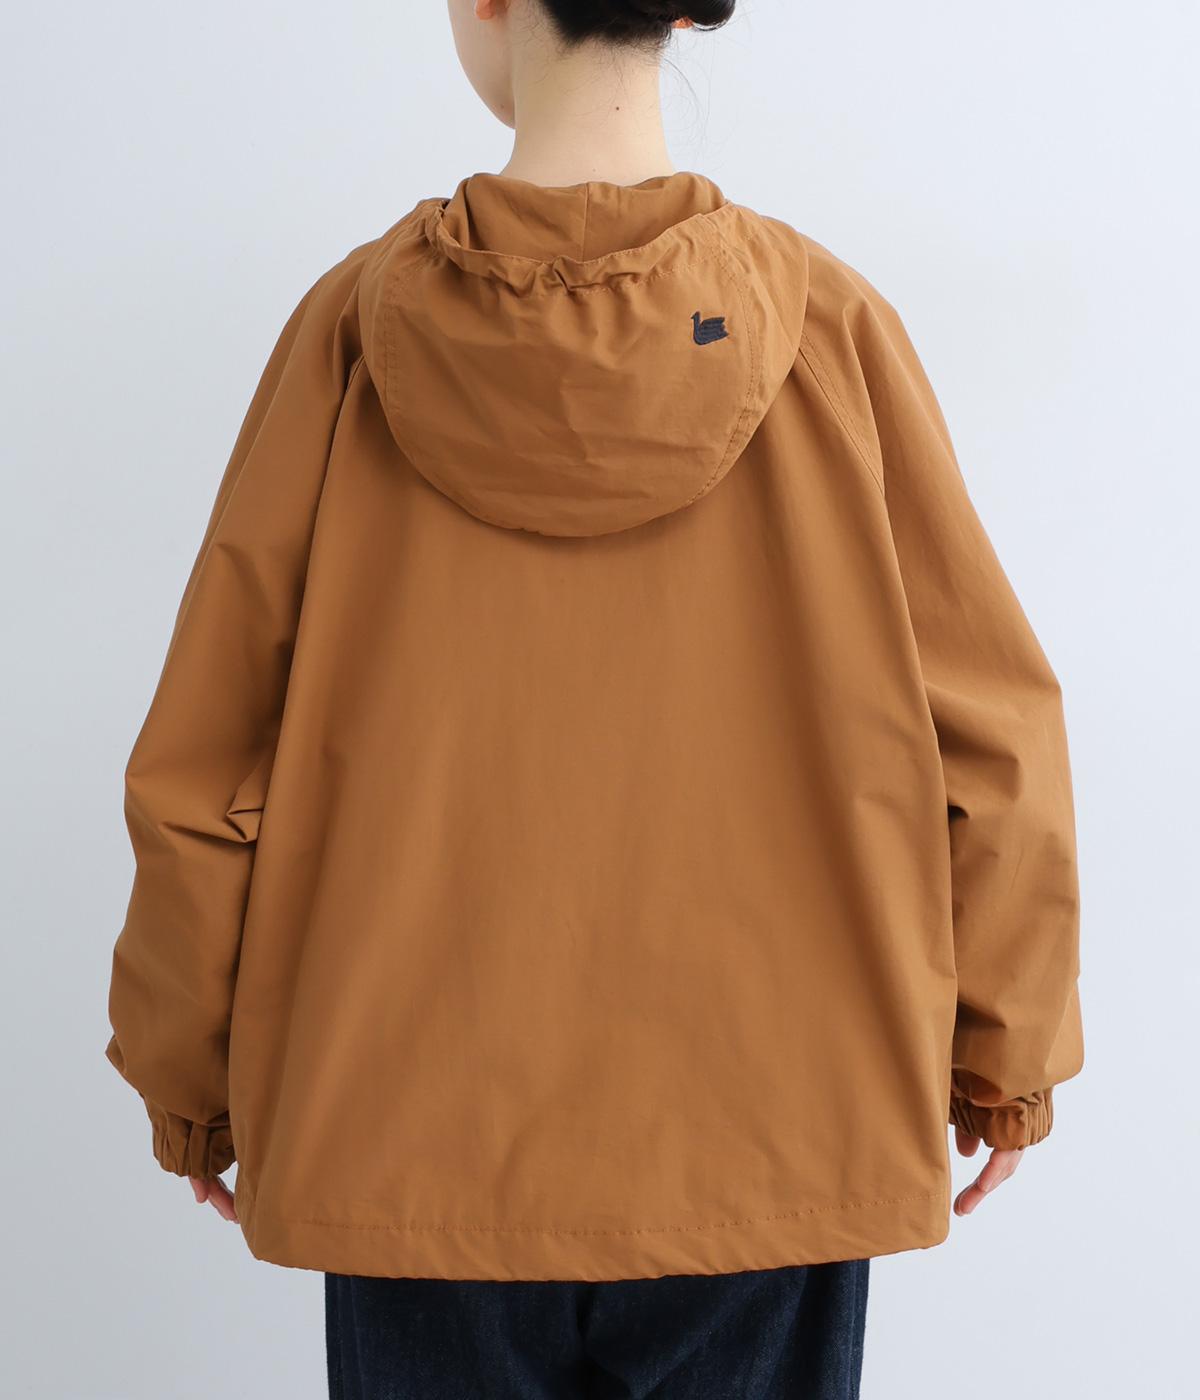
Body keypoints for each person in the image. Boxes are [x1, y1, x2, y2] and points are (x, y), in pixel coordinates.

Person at [102, 1, 1085, 1395]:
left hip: (409, 1140)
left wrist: (187, 1079)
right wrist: (1008, 1053)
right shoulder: (830, 328)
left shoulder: (352, 337)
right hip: (771, 1133)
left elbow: (206, 764)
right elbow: (997, 736)